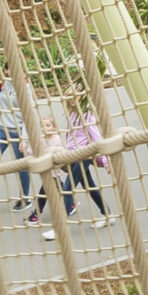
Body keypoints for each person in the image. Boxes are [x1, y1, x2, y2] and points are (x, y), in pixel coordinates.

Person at [0, 74, 33, 213]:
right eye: (8, 68)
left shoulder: (24, 87)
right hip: (0, 129)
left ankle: (25, 198)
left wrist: (24, 138)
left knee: (21, 165)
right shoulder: (3, 83)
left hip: (17, 131)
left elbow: (28, 113)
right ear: (5, 70)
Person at [59, 95, 110, 227]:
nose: (72, 99)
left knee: (67, 188)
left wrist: (106, 161)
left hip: (83, 157)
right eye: (70, 97)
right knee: (89, 186)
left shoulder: (87, 117)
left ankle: (61, 227)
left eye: (75, 97)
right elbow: (71, 139)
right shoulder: (72, 115)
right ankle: (107, 215)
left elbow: (98, 139)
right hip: (73, 156)